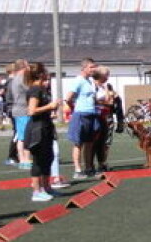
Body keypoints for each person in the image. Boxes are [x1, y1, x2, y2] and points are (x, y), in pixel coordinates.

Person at [24, 62, 60, 202]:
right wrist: (49, 106)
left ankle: (47, 187)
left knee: (48, 158)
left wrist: (51, 112)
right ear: (40, 74)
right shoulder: (34, 90)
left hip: (46, 127)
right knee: (38, 161)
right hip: (36, 130)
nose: (47, 74)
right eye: (45, 71)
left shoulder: (42, 89)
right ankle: (36, 192)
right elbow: (31, 111)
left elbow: (41, 109)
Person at [64, 58, 98, 179]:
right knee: (78, 143)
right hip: (80, 115)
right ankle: (78, 170)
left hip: (91, 114)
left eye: (94, 67)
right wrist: (74, 110)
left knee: (89, 143)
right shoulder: (78, 81)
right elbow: (68, 98)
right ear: (84, 68)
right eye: (91, 67)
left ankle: (89, 168)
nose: (94, 69)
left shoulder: (91, 81)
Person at [7, 59, 32, 170]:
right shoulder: (21, 78)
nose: (29, 68)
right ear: (23, 67)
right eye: (28, 66)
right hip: (22, 110)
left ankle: (23, 159)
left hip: (19, 109)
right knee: (23, 137)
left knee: (22, 136)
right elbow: (29, 90)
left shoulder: (15, 79)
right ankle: (23, 160)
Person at [90, 68, 116, 173]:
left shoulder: (104, 86)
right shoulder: (92, 86)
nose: (107, 78)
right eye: (106, 75)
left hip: (104, 116)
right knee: (93, 142)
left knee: (103, 142)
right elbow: (95, 100)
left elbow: (110, 101)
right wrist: (105, 101)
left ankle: (102, 163)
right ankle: (90, 166)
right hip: (95, 116)